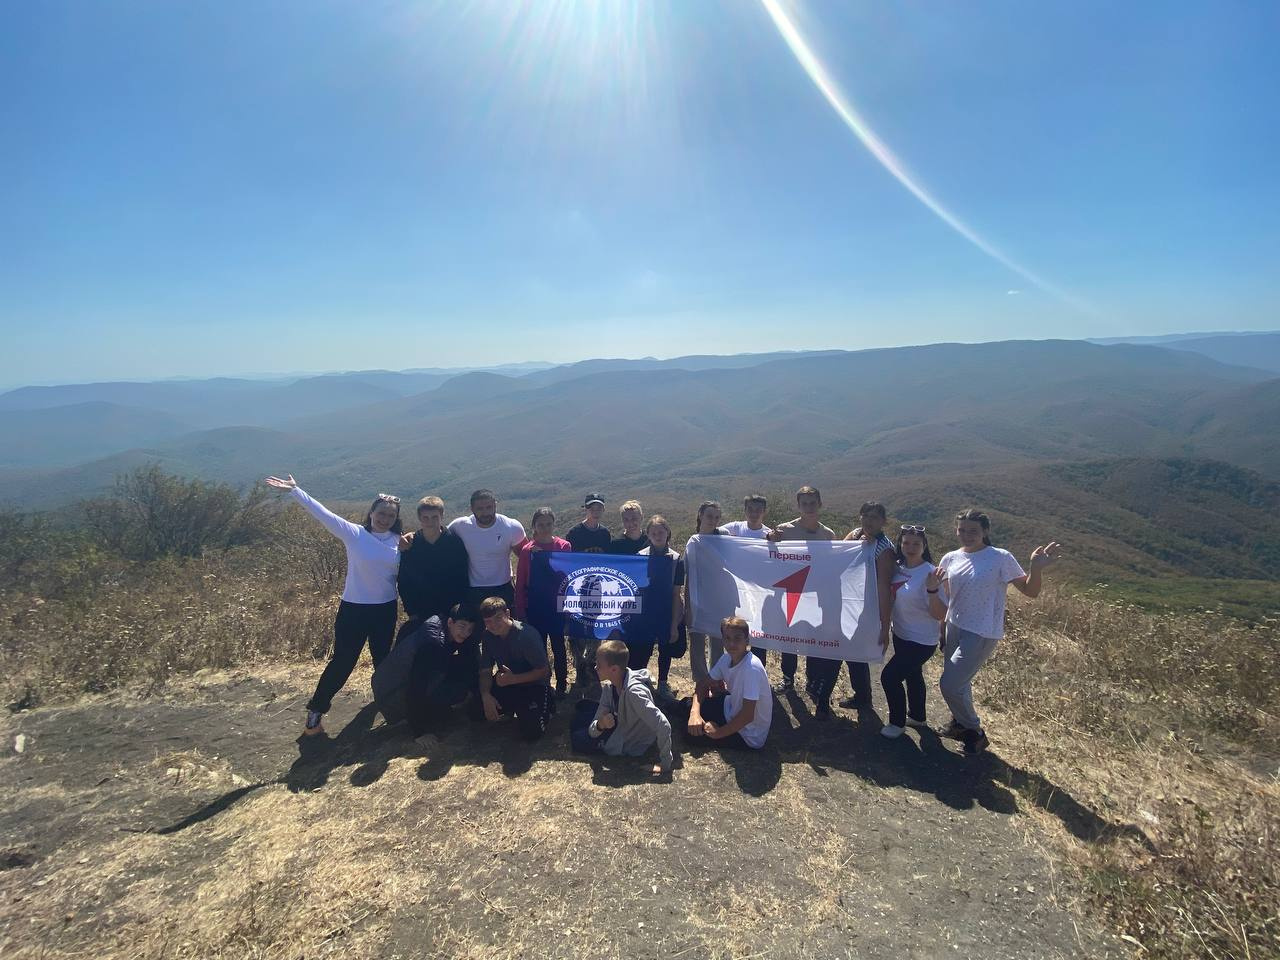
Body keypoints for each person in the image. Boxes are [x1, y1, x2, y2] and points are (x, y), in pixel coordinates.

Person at [264, 474, 404, 737]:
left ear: (396, 518)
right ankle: (316, 710)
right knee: (343, 661)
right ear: (371, 513)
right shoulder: (355, 534)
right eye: (381, 513)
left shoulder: (401, 542)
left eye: (390, 515)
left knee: (382, 661)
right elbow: (323, 514)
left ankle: (387, 704)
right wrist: (295, 491)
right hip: (353, 609)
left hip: (385, 610)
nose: (385, 518)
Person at [929, 509, 1061, 756]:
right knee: (961, 683)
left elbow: (1030, 592)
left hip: (981, 631)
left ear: (985, 531)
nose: (966, 535)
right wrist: (943, 628)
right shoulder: (950, 558)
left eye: (973, 531)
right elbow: (949, 597)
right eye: (962, 530)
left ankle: (974, 731)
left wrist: (1036, 568)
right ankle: (959, 724)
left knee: (950, 684)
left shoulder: (1000, 557)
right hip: (954, 626)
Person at [765, 486, 838, 718]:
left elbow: (834, 564)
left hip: (817, 597)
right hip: (791, 594)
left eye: (812, 502)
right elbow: (767, 552)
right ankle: (788, 679)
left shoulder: (828, 535)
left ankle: (813, 684)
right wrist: (770, 539)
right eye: (804, 503)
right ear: (798, 506)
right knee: (789, 640)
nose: (808, 507)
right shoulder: (785, 530)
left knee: (814, 640)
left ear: (820, 504)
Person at [371, 605, 480, 745]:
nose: (465, 633)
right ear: (450, 622)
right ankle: (422, 714)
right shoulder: (432, 643)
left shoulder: (443, 626)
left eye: (470, 629)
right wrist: (419, 732)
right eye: (462, 626)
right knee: (458, 692)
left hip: (396, 683)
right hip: (392, 695)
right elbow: (416, 685)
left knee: (462, 667)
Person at [570, 639, 674, 779]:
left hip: (627, 740)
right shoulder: (610, 687)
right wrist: (600, 724)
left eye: (599, 665)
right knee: (581, 710)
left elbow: (663, 725)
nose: (595, 668)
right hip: (617, 722)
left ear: (614, 669)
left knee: (577, 738)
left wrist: (665, 764)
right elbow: (594, 726)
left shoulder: (634, 693)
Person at [878, 526, 945, 738]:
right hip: (901, 634)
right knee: (913, 675)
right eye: (906, 542)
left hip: (922, 641)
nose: (911, 547)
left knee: (889, 677)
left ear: (924, 546)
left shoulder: (931, 573)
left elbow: (940, 614)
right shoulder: (898, 567)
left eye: (916, 544)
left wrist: (933, 589)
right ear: (900, 544)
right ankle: (917, 716)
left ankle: (897, 724)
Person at [838, 501, 897, 709]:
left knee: (857, 651)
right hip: (849, 601)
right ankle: (861, 694)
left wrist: (884, 624)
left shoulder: (884, 549)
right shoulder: (855, 534)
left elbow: (884, 587)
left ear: (883, 522)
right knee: (848, 647)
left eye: (875, 517)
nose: (869, 521)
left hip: (867, 606)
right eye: (866, 516)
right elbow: (839, 558)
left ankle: (863, 697)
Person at [680, 616, 772, 749]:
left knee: (690, 735)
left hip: (748, 734)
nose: (732, 644)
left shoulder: (752, 668)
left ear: (747, 640)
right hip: (730, 709)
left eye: (737, 638)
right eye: (727, 638)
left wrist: (718, 733)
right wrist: (695, 713)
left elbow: (747, 716)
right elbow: (702, 685)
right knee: (687, 705)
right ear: (722, 640)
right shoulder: (726, 658)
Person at [514, 507, 573, 696]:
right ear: (534, 526)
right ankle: (543, 684)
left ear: (554, 524)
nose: (545, 528)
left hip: (557, 606)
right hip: (535, 606)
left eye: (549, 524)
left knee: (558, 647)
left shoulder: (564, 546)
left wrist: (569, 606)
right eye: (541, 525)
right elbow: (521, 581)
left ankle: (562, 684)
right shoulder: (527, 550)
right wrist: (521, 610)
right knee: (538, 648)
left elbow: (568, 576)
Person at [476, 596, 554, 741]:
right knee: (475, 710)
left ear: (507, 613)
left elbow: (544, 671)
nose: (494, 625)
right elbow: (485, 670)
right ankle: (512, 708)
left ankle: (546, 705)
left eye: (498, 618)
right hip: (507, 683)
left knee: (532, 733)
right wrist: (486, 695)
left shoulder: (526, 635)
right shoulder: (487, 636)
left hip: (534, 685)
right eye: (488, 621)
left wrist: (514, 679)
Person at [397, 496, 469, 637]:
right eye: (426, 518)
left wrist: (458, 610)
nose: (430, 522)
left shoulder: (454, 542)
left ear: (442, 516)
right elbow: (404, 580)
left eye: (434, 517)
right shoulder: (411, 544)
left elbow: (462, 577)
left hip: (450, 610)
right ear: (419, 517)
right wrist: (412, 612)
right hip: (420, 611)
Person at [635, 515, 686, 700]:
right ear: (648, 534)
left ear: (668, 533)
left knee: (666, 650)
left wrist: (674, 625)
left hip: (666, 611)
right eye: (654, 533)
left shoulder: (677, 559)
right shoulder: (639, 557)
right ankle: (640, 683)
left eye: (661, 532)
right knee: (643, 650)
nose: (658, 536)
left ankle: (663, 684)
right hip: (645, 613)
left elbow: (676, 594)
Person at [447, 489, 526, 608]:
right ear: (472, 509)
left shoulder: (511, 527)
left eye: (489, 507)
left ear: (495, 505)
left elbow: (526, 556)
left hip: (503, 587)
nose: (485, 513)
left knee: (505, 620)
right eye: (480, 509)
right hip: (473, 589)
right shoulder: (460, 526)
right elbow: (439, 537)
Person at [685, 500, 726, 686]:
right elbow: (688, 576)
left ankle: (716, 681)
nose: (713, 520)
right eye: (709, 516)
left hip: (718, 599)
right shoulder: (693, 542)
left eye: (717, 517)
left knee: (718, 642)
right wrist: (687, 606)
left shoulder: (725, 540)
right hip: (697, 600)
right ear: (700, 515)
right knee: (697, 643)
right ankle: (701, 682)